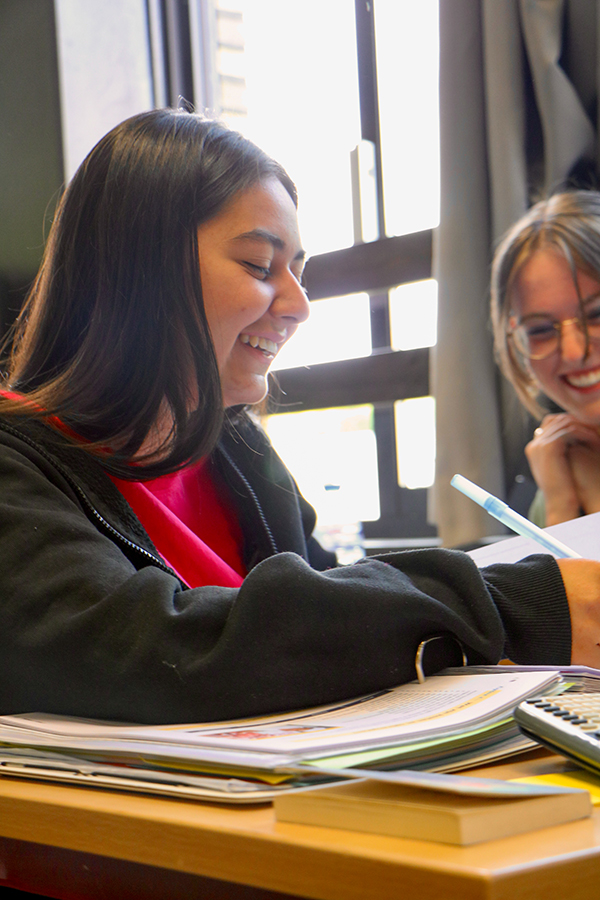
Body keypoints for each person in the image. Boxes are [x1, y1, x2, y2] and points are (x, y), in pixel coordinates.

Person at [1, 109, 599, 727]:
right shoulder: (15, 466)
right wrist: (517, 604)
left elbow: (338, 613)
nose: (299, 305)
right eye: (261, 267)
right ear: (139, 270)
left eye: (299, 272)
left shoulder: (238, 450)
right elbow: (149, 653)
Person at [491, 190, 600, 527]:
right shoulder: (555, 474)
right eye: (540, 330)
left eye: (597, 314)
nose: (572, 351)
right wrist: (560, 505)